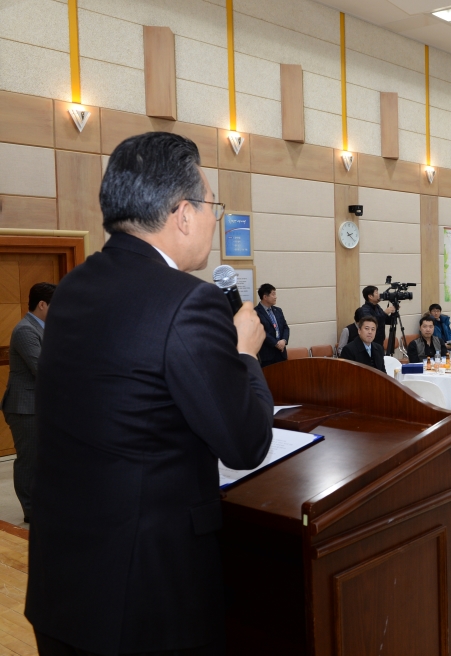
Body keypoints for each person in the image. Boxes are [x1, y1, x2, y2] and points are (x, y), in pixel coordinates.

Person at [26, 132, 274, 655]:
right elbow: (245, 442)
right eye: (211, 207)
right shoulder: (189, 302)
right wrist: (246, 353)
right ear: (183, 213)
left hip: (66, 585)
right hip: (148, 600)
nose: (214, 219)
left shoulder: (75, 286)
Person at [2, 282, 55, 524]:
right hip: (25, 407)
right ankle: (30, 510)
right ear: (42, 304)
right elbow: (43, 369)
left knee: (44, 458)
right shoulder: (25, 330)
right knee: (29, 459)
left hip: (40, 405)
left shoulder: (46, 328)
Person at [254, 283, 290, 368]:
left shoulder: (278, 310)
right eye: (273, 294)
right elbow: (261, 331)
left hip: (281, 353)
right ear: (265, 297)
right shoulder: (255, 312)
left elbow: (285, 327)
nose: (275, 297)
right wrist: (275, 343)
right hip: (267, 355)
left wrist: (283, 341)